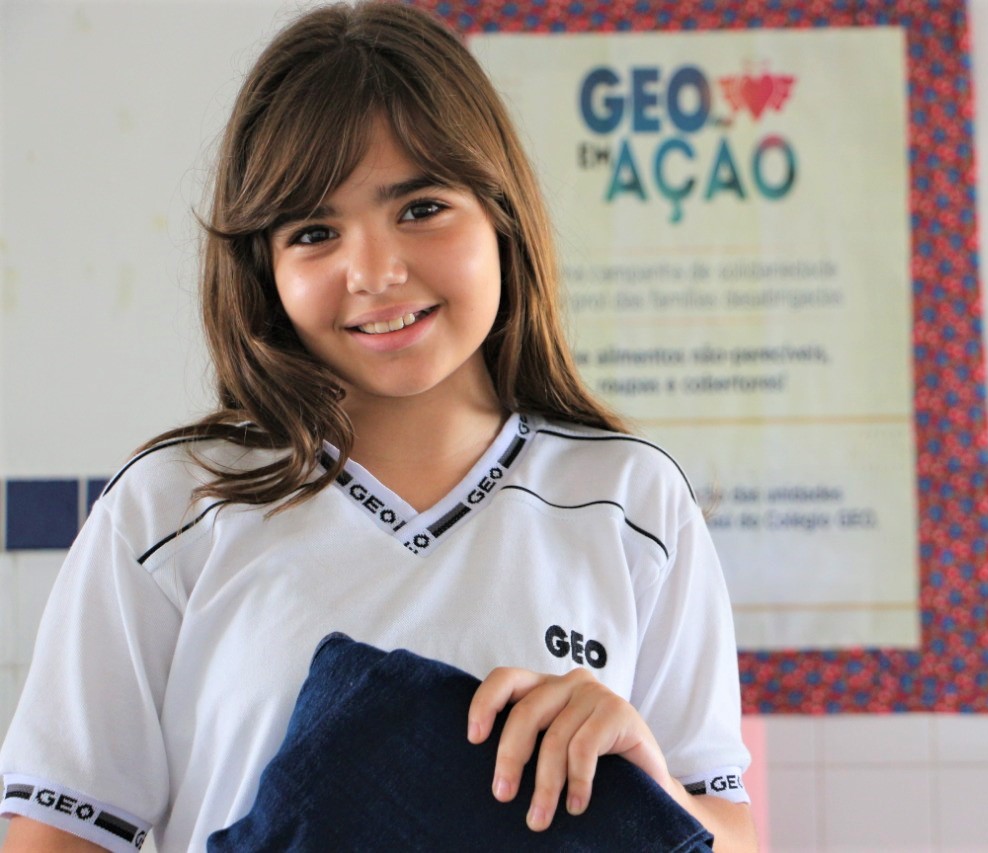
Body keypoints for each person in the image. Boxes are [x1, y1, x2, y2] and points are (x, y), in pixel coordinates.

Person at [0, 3, 756, 851]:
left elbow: (730, 832)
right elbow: (53, 836)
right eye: (315, 231)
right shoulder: (170, 507)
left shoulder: (633, 500)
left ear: (501, 213)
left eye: (421, 207)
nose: (376, 271)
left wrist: (651, 784)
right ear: (263, 266)